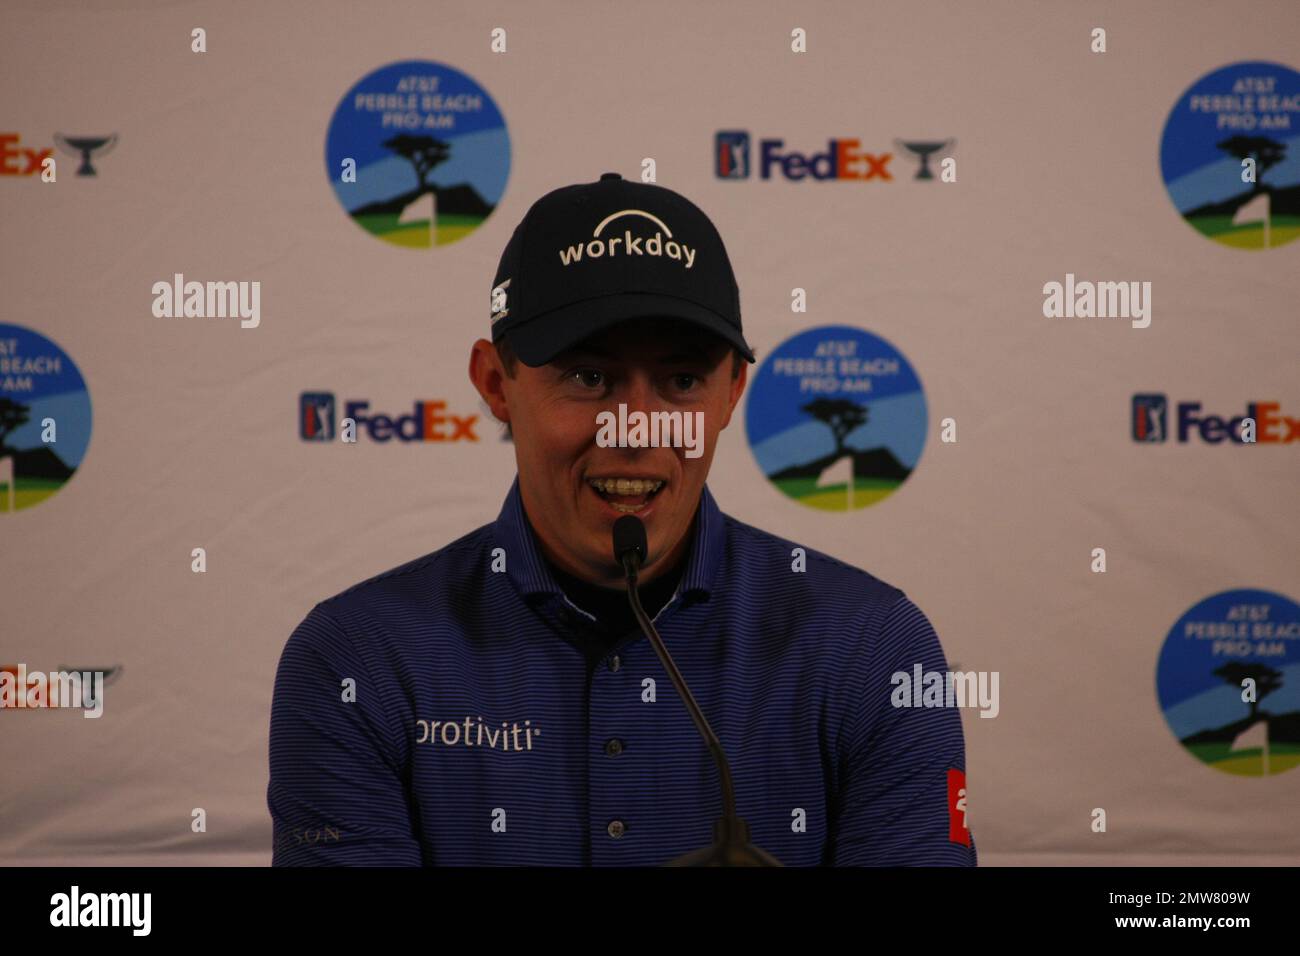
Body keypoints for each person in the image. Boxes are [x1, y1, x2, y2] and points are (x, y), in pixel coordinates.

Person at [268, 172, 976, 865]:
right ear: (495, 385)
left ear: (733, 392)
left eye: (682, 381)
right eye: (588, 378)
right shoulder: (356, 660)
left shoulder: (873, 649)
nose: (635, 430)